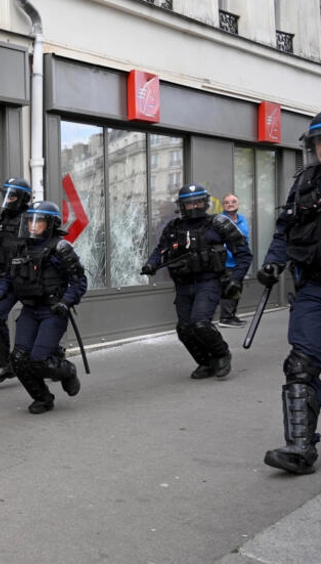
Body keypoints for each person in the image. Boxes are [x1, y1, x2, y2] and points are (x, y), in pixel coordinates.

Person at [260, 111, 321, 475]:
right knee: (300, 364)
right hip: (313, 287)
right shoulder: (304, 183)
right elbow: (284, 229)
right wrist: (273, 263)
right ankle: (300, 448)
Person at [141, 183, 252, 380]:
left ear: (205, 202)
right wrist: (151, 264)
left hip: (208, 282)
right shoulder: (174, 226)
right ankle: (205, 362)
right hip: (183, 284)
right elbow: (161, 249)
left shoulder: (219, 223)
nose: (194, 207)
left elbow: (244, 254)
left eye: (198, 202)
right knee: (184, 329)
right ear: (182, 206)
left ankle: (221, 354)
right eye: (189, 204)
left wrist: (236, 278)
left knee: (200, 323)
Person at [0, 201, 88, 414]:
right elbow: (9, 277)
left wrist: (66, 302)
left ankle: (68, 371)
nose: (32, 226)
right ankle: (43, 398)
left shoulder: (61, 248)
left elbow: (79, 281)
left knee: (40, 360)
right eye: (30, 221)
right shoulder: (20, 247)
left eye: (39, 222)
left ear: (50, 224)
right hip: (29, 310)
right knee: (18, 360)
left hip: (52, 311)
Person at [0, 177, 33, 385]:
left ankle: (50, 358)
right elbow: (1, 251)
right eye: (6, 195)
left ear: (21, 198)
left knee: (40, 317)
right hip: (8, 279)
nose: (8, 199)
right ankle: (5, 365)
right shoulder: (4, 219)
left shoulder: (31, 220)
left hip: (29, 279)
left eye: (12, 196)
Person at [217, 194, 251, 327]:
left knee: (237, 287)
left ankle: (232, 315)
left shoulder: (242, 219)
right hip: (226, 262)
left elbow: (245, 239)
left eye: (233, 202)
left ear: (238, 204)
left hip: (239, 262)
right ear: (223, 205)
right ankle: (225, 318)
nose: (230, 204)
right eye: (226, 202)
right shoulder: (220, 221)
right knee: (229, 287)